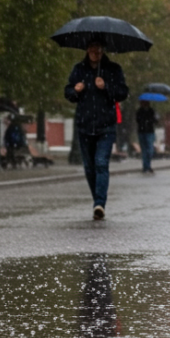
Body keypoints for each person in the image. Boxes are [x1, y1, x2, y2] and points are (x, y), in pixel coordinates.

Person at [65, 39, 128, 220]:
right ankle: (98, 201)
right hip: (84, 126)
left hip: (106, 126)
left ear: (103, 49)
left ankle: (99, 203)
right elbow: (68, 93)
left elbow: (123, 92)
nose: (96, 51)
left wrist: (106, 86)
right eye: (93, 47)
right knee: (89, 168)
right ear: (87, 49)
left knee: (101, 163)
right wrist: (75, 90)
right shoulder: (79, 70)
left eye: (99, 48)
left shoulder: (113, 69)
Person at [136, 100, 157, 174]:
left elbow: (155, 121)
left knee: (149, 150)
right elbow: (138, 120)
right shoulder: (139, 111)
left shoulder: (151, 111)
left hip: (149, 132)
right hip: (142, 132)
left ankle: (148, 165)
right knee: (145, 150)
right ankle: (146, 167)